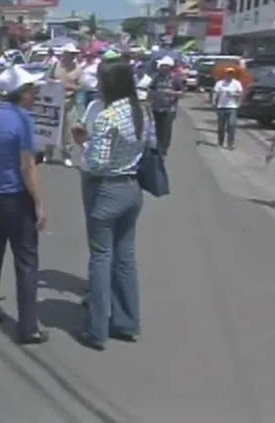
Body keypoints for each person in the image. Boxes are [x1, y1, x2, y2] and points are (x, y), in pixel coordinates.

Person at [71, 62, 156, 351]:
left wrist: (84, 142)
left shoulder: (108, 116)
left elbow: (97, 162)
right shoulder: (141, 111)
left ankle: (97, 329)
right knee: (125, 257)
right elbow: (151, 145)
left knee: (101, 257)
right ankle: (127, 321)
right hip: (132, 187)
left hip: (106, 188)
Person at [0, 65, 48, 345]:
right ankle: (28, 327)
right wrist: (39, 203)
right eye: (32, 90)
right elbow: (27, 167)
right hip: (17, 197)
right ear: (21, 93)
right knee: (27, 262)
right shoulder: (23, 120)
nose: (36, 95)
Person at [46, 43, 82, 167]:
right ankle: (49, 152)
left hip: (69, 101)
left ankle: (67, 155)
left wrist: (69, 86)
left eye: (74, 54)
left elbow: (81, 86)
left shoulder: (78, 69)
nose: (72, 56)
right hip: (55, 102)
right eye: (70, 54)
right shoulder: (55, 66)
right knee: (52, 127)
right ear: (64, 54)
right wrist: (55, 82)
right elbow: (47, 79)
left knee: (69, 130)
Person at [146, 56, 183, 156]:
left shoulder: (175, 79)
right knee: (157, 128)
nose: (160, 67)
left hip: (169, 109)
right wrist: (150, 99)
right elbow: (150, 89)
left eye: (163, 66)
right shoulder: (156, 77)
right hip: (156, 107)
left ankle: (164, 149)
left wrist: (171, 93)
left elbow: (181, 93)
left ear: (168, 67)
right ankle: (157, 147)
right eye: (160, 65)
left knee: (166, 130)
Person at [212, 66, 245, 150]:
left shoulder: (236, 83)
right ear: (225, 74)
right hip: (221, 107)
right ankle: (220, 142)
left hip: (232, 107)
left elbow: (241, 94)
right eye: (228, 73)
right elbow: (215, 93)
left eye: (231, 74)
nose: (230, 75)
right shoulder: (220, 83)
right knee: (221, 126)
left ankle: (230, 144)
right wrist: (214, 102)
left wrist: (235, 97)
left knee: (231, 125)